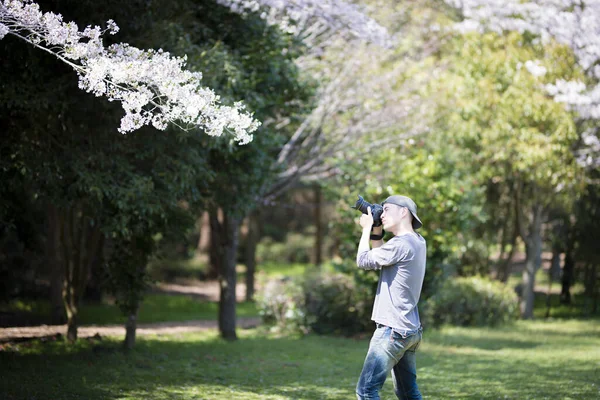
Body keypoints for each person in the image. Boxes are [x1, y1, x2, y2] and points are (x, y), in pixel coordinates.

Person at [355, 195, 426, 400]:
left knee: (366, 391)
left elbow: (364, 260)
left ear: (404, 212)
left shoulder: (400, 244)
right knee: (407, 392)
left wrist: (366, 228)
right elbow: (382, 257)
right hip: (409, 330)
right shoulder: (418, 241)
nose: (382, 214)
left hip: (391, 331)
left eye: (386, 209)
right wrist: (377, 230)